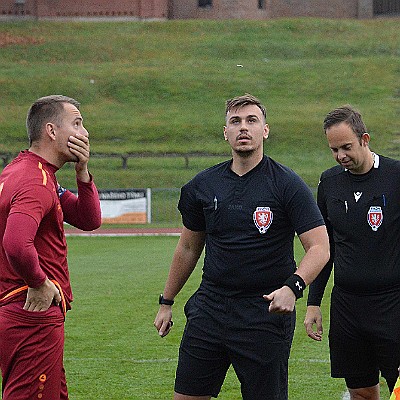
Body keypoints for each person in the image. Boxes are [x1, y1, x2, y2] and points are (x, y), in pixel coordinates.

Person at [154, 93, 330, 400]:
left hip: (264, 312)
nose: (243, 128)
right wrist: (166, 300)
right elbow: (188, 249)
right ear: (225, 132)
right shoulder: (203, 185)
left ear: (265, 130)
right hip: (210, 308)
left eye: (251, 120)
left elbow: (319, 247)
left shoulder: (287, 184)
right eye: (235, 121)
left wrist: (293, 287)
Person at [0, 95, 102, 399]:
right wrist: (39, 282)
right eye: (77, 123)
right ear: (52, 131)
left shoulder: (25, 170)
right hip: (31, 310)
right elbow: (16, 244)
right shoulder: (35, 180)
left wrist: (83, 172)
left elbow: (88, 219)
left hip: (21, 311)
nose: (85, 133)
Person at [304, 105, 400, 400]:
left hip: (392, 304)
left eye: (346, 147)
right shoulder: (329, 182)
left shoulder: (396, 176)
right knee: (360, 392)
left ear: (365, 139)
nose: (340, 155)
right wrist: (314, 302)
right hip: (347, 308)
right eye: (334, 150)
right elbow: (324, 248)